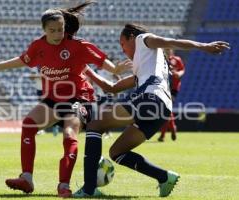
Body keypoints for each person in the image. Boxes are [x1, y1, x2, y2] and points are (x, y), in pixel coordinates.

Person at [0, 1, 131, 198]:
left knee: (69, 135)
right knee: (28, 124)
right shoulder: (38, 46)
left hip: (79, 97)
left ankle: (63, 185)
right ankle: (26, 178)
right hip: (53, 98)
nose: (58, 34)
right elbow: (21, 61)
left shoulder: (78, 45)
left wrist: (116, 69)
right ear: (44, 30)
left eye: (60, 29)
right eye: (52, 30)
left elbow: (104, 63)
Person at [73, 23, 230, 197]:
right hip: (162, 109)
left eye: (122, 43)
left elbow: (169, 41)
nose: (122, 49)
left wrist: (203, 46)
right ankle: (164, 177)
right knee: (117, 152)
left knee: (95, 126)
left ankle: (88, 189)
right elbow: (112, 88)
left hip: (150, 99)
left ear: (131, 37)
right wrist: (87, 70)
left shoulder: (143, 39)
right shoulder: (147, 66)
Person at [158, 49, 185, 142]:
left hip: (173, 88)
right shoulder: (160, 59)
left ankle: (163, 134)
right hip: (163, 88)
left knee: (166, 111)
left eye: (168, 49)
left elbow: (182, 69)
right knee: (167, 111)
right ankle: (173, 128)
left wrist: (179, 74)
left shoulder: (177, 59)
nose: (167, 50)